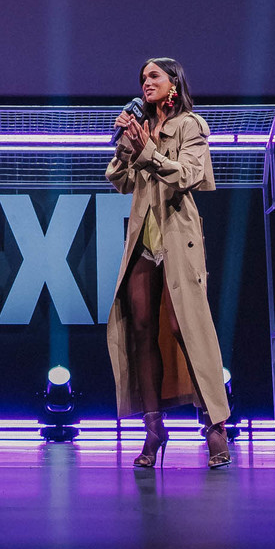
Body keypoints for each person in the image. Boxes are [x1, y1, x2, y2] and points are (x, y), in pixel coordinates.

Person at [106, 56, 232, 470]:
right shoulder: (141, 126)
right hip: (144, 239)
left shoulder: (190, 125)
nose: (146, 82)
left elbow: (190, 175)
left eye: (154, 76)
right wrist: (126, 146)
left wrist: (149, 152)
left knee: (185, 327)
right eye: (142, 77)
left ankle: (214, 425)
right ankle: (153, 428)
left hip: (178, 237)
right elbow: (120, 180)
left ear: (173, 82)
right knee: (141, 329)